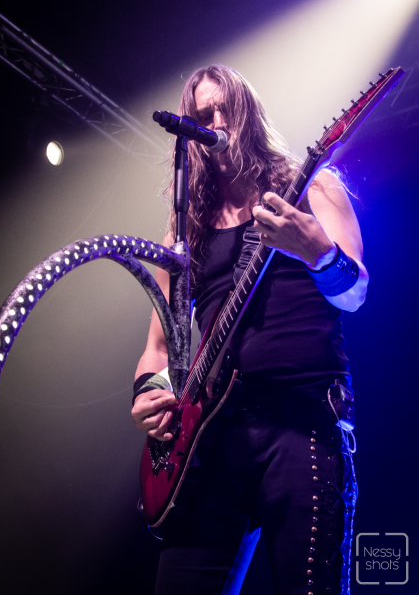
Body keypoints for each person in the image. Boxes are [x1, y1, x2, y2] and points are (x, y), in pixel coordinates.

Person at [131, 65, 368, 595]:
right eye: (203, 115)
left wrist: (318, 252)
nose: (217, 122)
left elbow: (355, 294)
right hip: (212, 439)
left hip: (303, 422)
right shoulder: (186, 229)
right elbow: (158, 347)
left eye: (226, 109)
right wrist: (149, 392)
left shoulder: (313, 187)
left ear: (249, 112)